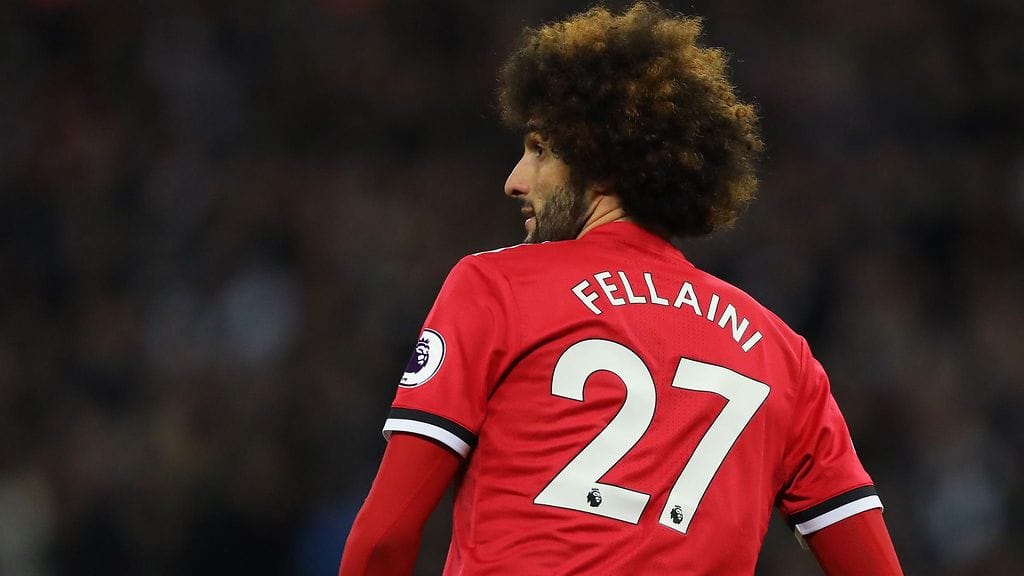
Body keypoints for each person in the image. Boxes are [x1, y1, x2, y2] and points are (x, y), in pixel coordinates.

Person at [339, 3, 902, 574]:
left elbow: (384, 537)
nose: (514, 180)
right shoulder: (784, 358)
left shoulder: (496, 287)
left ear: (601, 161)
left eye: (540, 150)